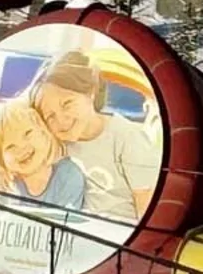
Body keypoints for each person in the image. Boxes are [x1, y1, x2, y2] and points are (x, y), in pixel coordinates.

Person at [32, 52, 158, 227]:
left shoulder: (127, 138)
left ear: (90, 92)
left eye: (67, 103)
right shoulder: (56, 142)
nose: (61, 120)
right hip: (75, 235)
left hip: (120, 235)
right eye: (50, 116)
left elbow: (147, 207)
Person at [0, 99, 86, 210]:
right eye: (11, 146)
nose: (22, 148)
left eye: (28, 133)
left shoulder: (69, 176)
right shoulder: (2, 187)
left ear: (43, 131)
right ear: (0, 158)